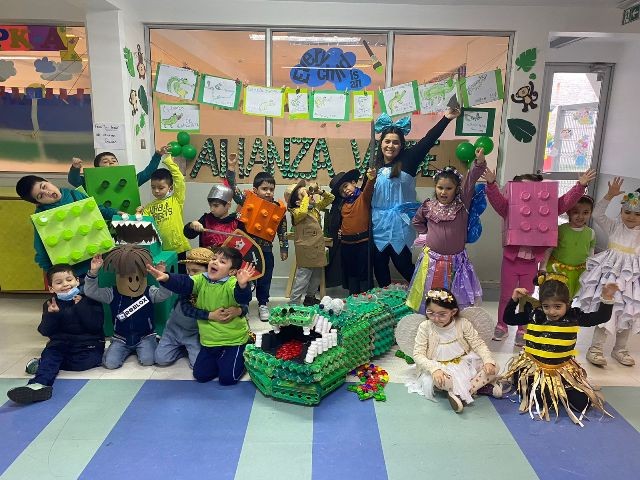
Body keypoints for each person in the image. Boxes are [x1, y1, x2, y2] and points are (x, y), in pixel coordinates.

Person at [482, 168, 596, 345]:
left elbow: (564, 202)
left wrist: (579, 186)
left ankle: (522, 328)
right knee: (506, 296)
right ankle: (502, 325)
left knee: (526, 297)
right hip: (511, 261)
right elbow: (497, 202)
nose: (530, 195)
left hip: (530, 263)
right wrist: (491, 184)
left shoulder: (546, 209)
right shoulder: (509, 209)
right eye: (525, 191)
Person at [501, 274, 618, 426]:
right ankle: (548, 393)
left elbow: (600, 317)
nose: (552, 312)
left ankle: (560, 392)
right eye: (546, 306)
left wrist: (607, 298)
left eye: (557, 306)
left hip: (561, 372)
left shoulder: (574, 316)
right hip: (535, 371)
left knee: (582, 404)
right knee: (538, 399)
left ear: (567, 304)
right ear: (541, 304)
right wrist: (514, 299)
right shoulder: (535, 314)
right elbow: (509, 319)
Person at [371, 108, 460, 288]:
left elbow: (428, 139)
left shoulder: (409, 159)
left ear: (401, 145)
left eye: (395, 142)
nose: (390, 146)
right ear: (381, 144)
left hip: (400, 224)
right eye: (387, 141)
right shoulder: (375, 164)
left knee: (403, 264)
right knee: (379, 266)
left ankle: (428, 294)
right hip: (377, 224)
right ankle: (384, 301)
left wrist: (446, 118)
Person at [147, 246, 254, 385]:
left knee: (227, 379)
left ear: (232, 271)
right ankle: (224, 359)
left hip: (233, 341)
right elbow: (184, 282)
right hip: (209, 341)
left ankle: (244, 349)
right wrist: (167, 278)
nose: (215, 262)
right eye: (214, 258)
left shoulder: (231, 283)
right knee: (201, 375)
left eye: (222, 261)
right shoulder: (201, 279)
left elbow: (242, 298)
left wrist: (242, 285)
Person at [6, 264, 105, 405]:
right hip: (60, 344)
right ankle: (38, 385)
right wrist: (51, 315)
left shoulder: (90, 299)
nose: (65, 284)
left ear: (77, 281)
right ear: (51, 288)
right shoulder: (50, 304)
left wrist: (81, 306)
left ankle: (43, 363)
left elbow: (95, 326)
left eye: (69, 280)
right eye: (59, 282)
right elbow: (45, 331)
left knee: (83, 363)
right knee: (52, 353)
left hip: (88, 345)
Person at [406, 149, 486, 313]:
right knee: (430, 295)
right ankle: (430, 318)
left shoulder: (462, 204)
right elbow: (417, 221)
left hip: (456, 263)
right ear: (435, 187)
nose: (443, 192)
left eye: (449, 188)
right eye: (440, 187)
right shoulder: (428, 206)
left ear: (457, 189)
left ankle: (451, 320)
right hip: (431, 261)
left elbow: (470, 180)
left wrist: (478, 163)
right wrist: (427, 234)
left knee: (453, 298)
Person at [578, 178, 640, 367]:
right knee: (606, 311)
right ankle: (595, 348)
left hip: (630, 282)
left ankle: (620, 349)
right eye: (627, 212)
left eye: (637, 214)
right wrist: (609, 195)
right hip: (610, 278)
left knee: (628, 313)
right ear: (621, 212)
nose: (631, 217)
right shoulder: (614, 227)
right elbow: (597, 214)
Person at [408, 288, 500, 414]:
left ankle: (462, 394)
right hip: (439, 367)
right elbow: (418, 354)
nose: (436, 318)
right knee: (441, 381)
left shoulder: (462, 323)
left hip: (464, 362)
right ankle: (478, 387)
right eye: (430, 313)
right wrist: (434, 369)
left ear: (453, 312)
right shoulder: (425, 327)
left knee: (494, 367)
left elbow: (478, 344)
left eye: (442, 314)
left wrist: (488, 360)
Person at [84, 246, 173, 369]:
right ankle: (121, 350)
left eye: (137, 277)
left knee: (149, 360)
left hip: (145, 337)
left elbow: (166, 294)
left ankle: (150, 343)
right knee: (110, 364)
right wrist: (93, 272)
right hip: (121, 338)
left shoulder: (149, 292)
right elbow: (90, 292)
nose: (133, 283)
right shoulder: (112, 293)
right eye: (128, 278)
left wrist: (162, 277)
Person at [15, 175, 118, 277]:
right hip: (76, 273)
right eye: (40, 196)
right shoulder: (42, 218)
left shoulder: (75, 195)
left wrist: (118, 215)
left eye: (44, 186)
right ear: (38, 202)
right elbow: (41, 250)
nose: (47, 193)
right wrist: (53, 274)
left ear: (47, 180)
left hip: (102, 260)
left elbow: (97, 210)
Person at [226, 154, 289, 321]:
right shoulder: (248, 201)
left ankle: (263, 303)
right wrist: (231, 168)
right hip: (246, 249)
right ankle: (243, 304)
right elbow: (233, 190)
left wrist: (284, 247)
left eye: (271, 189)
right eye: (264, 188)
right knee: (244, 276)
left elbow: (282, 229)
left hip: (266, 249)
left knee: (265, 277)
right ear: (255, 190)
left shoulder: (278, 209)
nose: (268, 192)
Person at [156, 247, 241, 368]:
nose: (190, 274)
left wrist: (239, 310)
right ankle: (178, 349)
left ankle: (188, 349)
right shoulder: (189, 285)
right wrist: (166, 277)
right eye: (188, 271)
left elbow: (240, 301)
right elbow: (186, 309)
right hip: (173, 330)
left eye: (195, 271)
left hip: (195, 333)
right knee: (161, 359)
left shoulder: (221, 286)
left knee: (196, 364)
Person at [326, 167, 377, 295]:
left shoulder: (363, 198)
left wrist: (371, 178)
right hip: (346, 244)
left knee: (363, 271)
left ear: (353, 183)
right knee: (351, 272)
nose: (345, 190)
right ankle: (353, 296)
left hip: (362, 242)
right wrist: (340, 230)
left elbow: (369, 188)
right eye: (341, 190)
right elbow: (342, 220)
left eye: (346, 186)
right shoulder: (343, 205)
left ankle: (365, 297)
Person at [286, 180, 335, 305]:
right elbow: (302, 212)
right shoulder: (296, 212)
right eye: (303, 194)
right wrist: (306, 196)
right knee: (303, 277)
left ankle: (310, 297)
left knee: (316, 275)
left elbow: (331, 198)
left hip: (317, 247)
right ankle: (294, 302)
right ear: (298, 202)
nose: (308, 195)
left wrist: (319, 191)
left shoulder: (315, 209)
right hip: (306, 250)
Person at [138, 154, 191, 271]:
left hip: (179, 248)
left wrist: (168, 161)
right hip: (161, 250)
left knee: (180, 276)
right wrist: (138, 213)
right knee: (165, 277)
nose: (156, 191)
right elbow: (144, 224)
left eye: (161, 188)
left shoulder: (176, 199)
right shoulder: (149, 207)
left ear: (170, 188)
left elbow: (179, 179)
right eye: (153, 187)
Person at [540, 195, 595, 297]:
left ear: (590, 213)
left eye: (585, 212)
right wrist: (542, 267)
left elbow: (591, 252)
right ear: (568, 212)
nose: (580, 216)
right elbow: (549, 249)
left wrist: (591, 269)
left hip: (578, 272)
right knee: (553, 296)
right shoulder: (560, 230)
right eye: (576, 212)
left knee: (569, 297)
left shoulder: (591, 233)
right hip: (557, 270)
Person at [68, 148, 164, 189]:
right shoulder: (91, 181)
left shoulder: (128, 180)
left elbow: (148, 173)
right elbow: (74, 180)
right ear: (97, 168)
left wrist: (157, 155)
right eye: (105, 161)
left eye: (114, 160)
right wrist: (75, 168)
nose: (111, 162)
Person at [183, 184, 239, 248]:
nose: (212, 209)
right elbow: (189, 235)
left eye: (216, 206)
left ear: (228, 205)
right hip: (206, 254)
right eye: (210, 205)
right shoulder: (206, 219)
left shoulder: (236, 222)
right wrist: (192, 225)